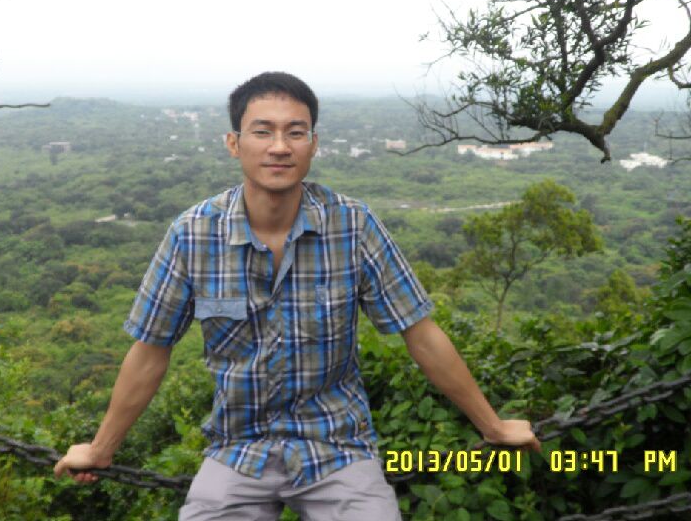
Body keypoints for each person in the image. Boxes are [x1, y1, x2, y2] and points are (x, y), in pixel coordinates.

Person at [54, 71, 541, 520]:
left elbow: (420, 333)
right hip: (237, 450)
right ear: (233, 143)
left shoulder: (352, 225)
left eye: (295, 132)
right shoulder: (193, 234)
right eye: (262, 131)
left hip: (338, 447)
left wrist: (493, 426)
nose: (279, 147)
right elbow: (150, 351)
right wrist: (101, 448)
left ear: (314, 144)